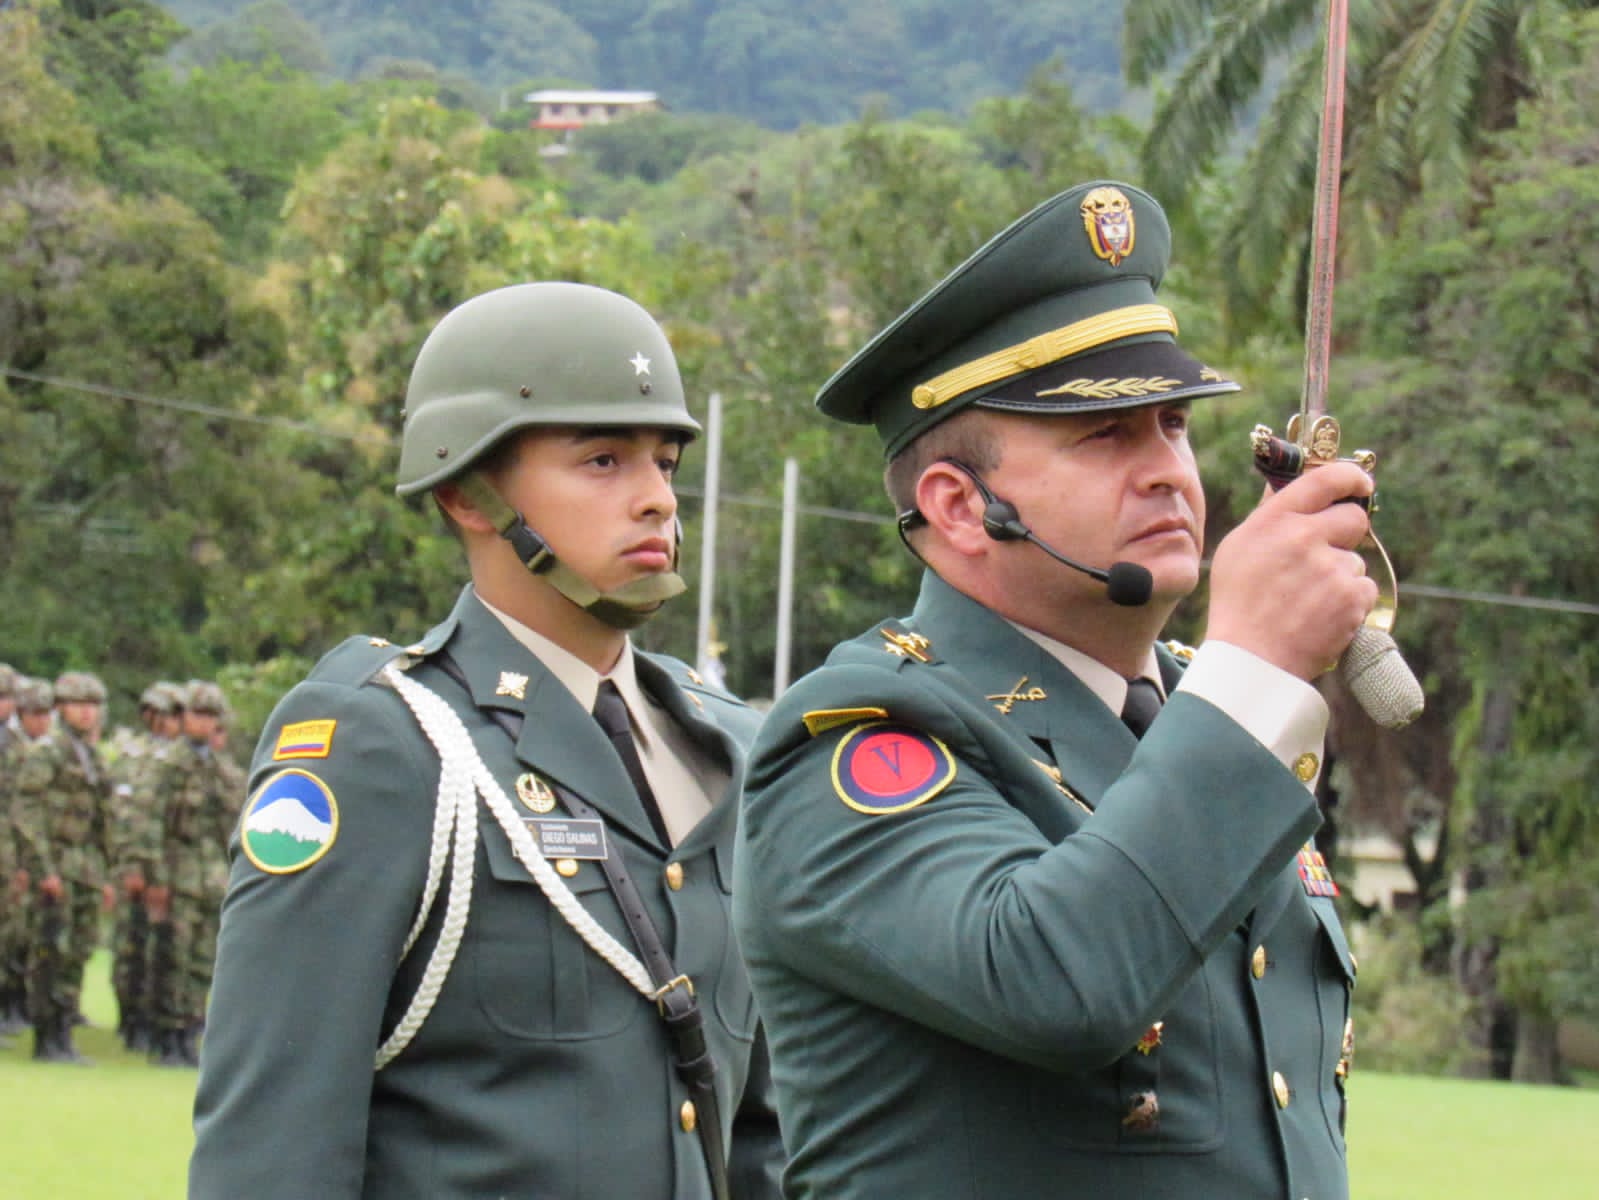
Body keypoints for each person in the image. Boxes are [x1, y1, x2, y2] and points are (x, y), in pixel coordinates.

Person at [733, 182, 1374, 1200]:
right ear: (960, 507)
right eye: (1107, 436)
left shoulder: (1203, 721)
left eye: (1171, 425)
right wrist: (1252, 669)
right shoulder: (853, 745)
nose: (1169, 469)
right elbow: (1054, 981)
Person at [191, 282, 784, 1199]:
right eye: (601, 460)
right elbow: (274, 1142)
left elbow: (760, 1136)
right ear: (470, 495)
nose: (656, 500)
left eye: (664, 462)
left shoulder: (726, 747)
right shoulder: (386, 744)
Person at [13, 670, 114, 1064]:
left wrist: (107, 872)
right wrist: (43, 868)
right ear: (61, 709)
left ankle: (64, 1029)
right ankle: (47, 1033)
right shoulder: (47, 752)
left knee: (78, 949)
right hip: (58, 860)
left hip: (85, 865)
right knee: (50, 948)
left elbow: (103, 817)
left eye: (92, 706)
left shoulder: (89, 755)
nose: (86, 713)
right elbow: (27, 812)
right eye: (78, 705)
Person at [144, 680, 233, 1067]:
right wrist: (154, 877)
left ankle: (190, 1031)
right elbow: (148, 822)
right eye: (198, 715)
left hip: (210, 877)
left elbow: (232, 823)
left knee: (201, 959)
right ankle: (166, 1035)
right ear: (182, 719)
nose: (204, 723)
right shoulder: (167, 763)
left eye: (211, 716)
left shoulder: (220, 770)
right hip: (176, 872)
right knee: (173, 956)